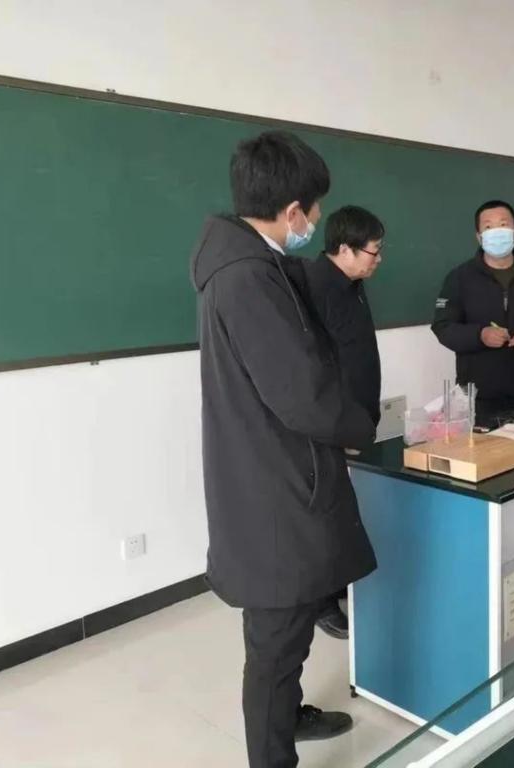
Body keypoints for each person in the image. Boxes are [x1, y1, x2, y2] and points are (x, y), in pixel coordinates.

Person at [190, 130, 377, 768]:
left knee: (286, 630)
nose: (316, 221)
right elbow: (303, 395)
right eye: (314, 208)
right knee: (276, 639)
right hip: (273, 483)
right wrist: (361, 426)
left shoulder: (253, 266)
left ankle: (290, 717)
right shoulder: (247, 278)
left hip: (271, 469)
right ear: (292, 210)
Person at [302, 205, 385, 640]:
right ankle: (319, 602)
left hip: (356, 416)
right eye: (373, 251)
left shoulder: (353, 283)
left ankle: (338, 584)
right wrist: (344, 423)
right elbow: (315, 370)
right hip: (333, 424)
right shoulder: (314, 287)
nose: (378, 259)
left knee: (344, 511)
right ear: (346, 249)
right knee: (323, 516)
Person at [431, 199, 514, 418]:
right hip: (476, 395)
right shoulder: (459, 278)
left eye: (503, 224)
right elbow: (443, 326)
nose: (497, 231)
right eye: (488, 226)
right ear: (479, 237)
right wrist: (480, 335)